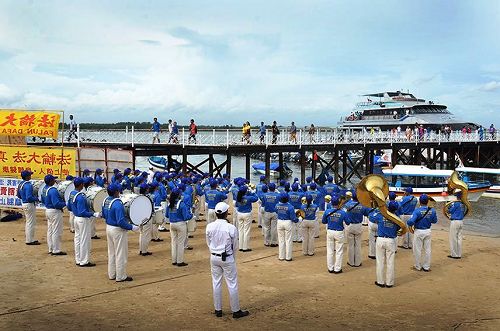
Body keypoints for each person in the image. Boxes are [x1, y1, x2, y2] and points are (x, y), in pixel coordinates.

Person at [206, 202, 249, 319]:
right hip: (227, 257)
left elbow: (208, 242)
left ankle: (218, 309)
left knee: (216, 282)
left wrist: (214, 251)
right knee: (232, 284)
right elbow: (235, 245)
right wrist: (232, 257)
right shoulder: (231, 228)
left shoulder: (209, 226)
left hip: (214, 257)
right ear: (226, 214)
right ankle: (235, 310)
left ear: (215, 213)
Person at [102, 183, 140, 282]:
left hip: (109, 227)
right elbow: (121, 222)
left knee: (112, 252)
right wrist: (132, 227)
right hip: (117, 230)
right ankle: (121, 276)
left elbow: (104, 215)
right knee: (120, 254)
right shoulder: (118, 204)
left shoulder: (106, 200)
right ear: (116, 192)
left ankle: (112, 274)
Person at [71, 177, 100, 267]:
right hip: (82, 220)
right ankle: (84, 261)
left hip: (76, 218)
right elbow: (82, 212)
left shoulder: (72, 193)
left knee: (78, 239)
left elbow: (69, 206)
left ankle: (78, 259)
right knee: (84, 240)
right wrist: (93, 214)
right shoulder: (81, 197)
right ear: (81, 185)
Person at [407, 194, 437, 272]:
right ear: (427, 201)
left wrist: (408, 222)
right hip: (428, 231)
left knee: (417, 249)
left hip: (419, 231)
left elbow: (411, 222)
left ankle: (417, 266)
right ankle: (426, 266)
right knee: (427, 249)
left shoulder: (417, 211)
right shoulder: (432, 210)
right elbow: (435, 221)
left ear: (420, 201)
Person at [374, 201, 400, 288]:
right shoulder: (397, 217)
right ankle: (389, 283)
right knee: (390, 262)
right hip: (391, 240)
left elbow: (371, 218)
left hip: (380, 239)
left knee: (380, 261)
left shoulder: (381, 215)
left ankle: (380, 281)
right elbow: (399, 229)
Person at [322, 195, 349, 273]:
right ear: (339, 203)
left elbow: (324, 221)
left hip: (330, 231)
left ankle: (330, 268)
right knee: (339, 251)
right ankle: (337, 268)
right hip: (339, 232)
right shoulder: (343, 212)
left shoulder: (327, 211)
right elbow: (348, 222)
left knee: (330, 250)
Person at [343, 191, 370, 267]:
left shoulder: (347, 204)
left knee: (350, 245)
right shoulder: (362, 205)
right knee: (358, 244)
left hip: (350, 225)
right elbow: (367, 213)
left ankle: (351, 262)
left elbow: (343, 213)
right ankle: (357, 262)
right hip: (358, 225)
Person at [41, 174, 67, 255]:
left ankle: (51, 248)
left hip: (48, 210)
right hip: (54, 212)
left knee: (50, 231)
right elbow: (56, 204)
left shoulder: (44, 189)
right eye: (53, 180)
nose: (55, 181)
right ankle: (56, 250)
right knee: (56, 231)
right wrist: (65, 203)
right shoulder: (53, 190)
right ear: (51, 181)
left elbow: (42, 200)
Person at [166, 188, 192, 267]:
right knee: (180, 243)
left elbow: (167, 215)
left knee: (174, 242)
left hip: (172, 224)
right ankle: (179, 261)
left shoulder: (169, 203)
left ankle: (174, 260)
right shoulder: (181, 204)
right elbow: (186, 217)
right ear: (179, 195)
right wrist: (191, 215)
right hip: (180, 224)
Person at [17, 170, 40, 245]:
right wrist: (38, 199)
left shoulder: (21, 184)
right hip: (29, 204)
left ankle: (29, 239)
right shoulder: (28, 185)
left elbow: (19, 195)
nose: (31, 176)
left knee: (28, 222)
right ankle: (30, 240)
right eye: (29, 175)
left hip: (24, 203)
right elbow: (29, 197)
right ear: (27, 177)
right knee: (31, 223)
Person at [275, 193, 298, 261]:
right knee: (288, 240)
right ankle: (288, 257)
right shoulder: (290, 207)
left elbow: (276, 212)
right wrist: (298, 219)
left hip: (279, 222)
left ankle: (281, 256)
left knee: (281, 240)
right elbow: (293, 218)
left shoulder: (277, 205)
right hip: (288, 222)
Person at [235, 186, 258, 252]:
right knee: (246, 231)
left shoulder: (238, 197)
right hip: (247, 214)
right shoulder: (249, 197)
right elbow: (256, 198)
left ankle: (240, 246)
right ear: (245, 191)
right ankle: (245, 247)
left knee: (240, 230)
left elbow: (236, 205)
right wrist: (252, 192)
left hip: (239, 213)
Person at [447, 190, 466, 259]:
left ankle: (454, 254)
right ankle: (459, 254)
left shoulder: (455, 203)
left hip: (455, 222)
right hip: (461, 221)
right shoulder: (463, 204)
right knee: (459, 238)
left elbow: (449, 211)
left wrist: (449, 206)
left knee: (453, 238)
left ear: (456, 196)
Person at [262, 183, 280, 247]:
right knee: (274, 228)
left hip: (267, 212)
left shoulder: (264, 195)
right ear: (274, 188)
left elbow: (263, 204)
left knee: (267, 228)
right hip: (275, 212)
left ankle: (267, 242)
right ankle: (274, 242)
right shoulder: (278, 195)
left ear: (268, 188)